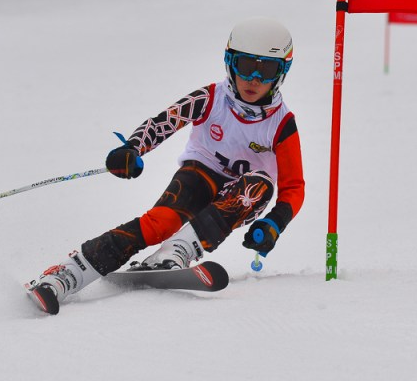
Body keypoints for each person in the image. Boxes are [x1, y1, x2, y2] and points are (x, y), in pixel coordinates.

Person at [26, 17, 305, 314]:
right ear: (229, 62)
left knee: (258, 185)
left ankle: (177, 251)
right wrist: (132, 149)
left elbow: (293, 187)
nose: (254, 80)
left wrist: (275, 223)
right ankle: (65, 275)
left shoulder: (282, 124)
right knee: (161, 222)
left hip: (241, 196)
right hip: (200, 175)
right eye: (246, 65)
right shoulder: (211, 98)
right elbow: (164, 122)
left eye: (267, 70)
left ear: (282, 73)